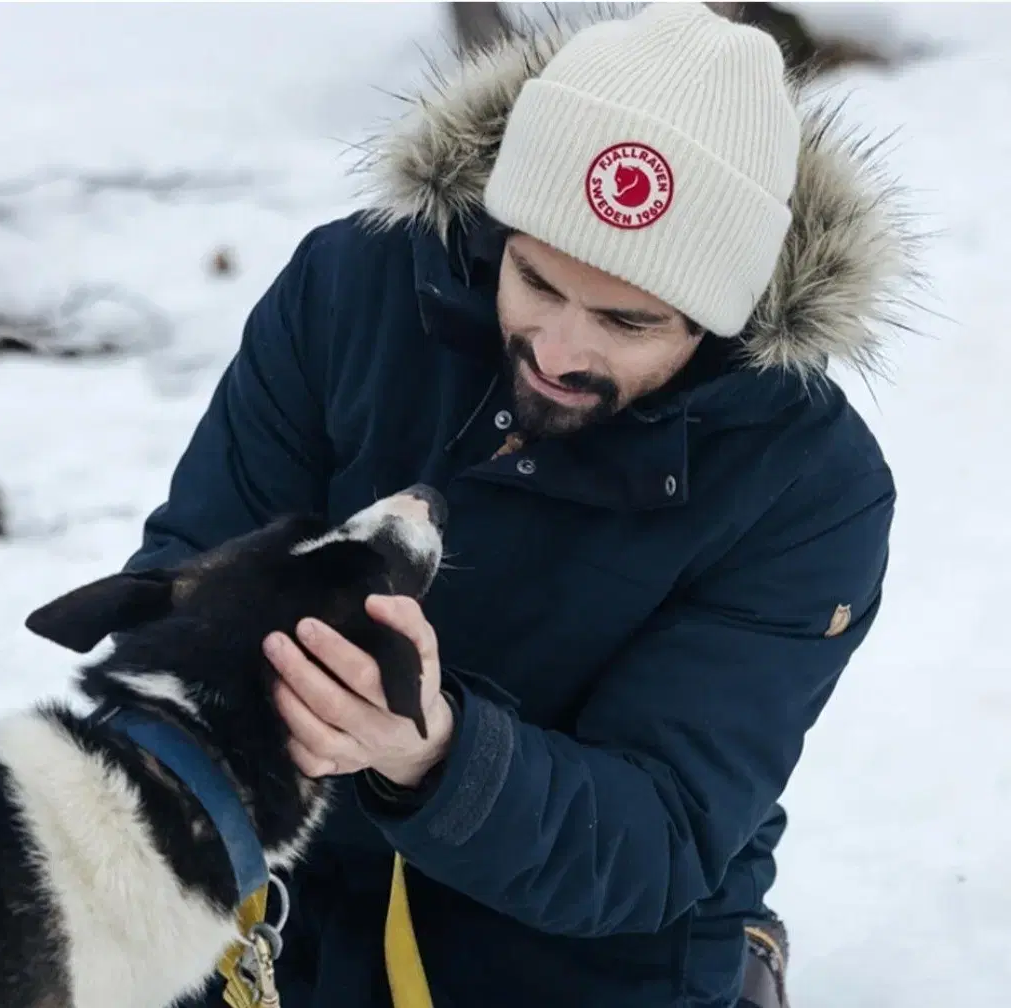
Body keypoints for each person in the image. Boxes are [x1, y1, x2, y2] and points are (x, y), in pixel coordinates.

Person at [124, 6, 912, 1007]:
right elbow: (193, 579)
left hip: (591, 923)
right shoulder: (351, 290)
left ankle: (744, 959)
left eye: (629, 320)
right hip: (286, 859)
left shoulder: (811, 485)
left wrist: (435, 757)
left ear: (727, 314)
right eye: (535, 277)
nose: (560, 350)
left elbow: (658, 833)